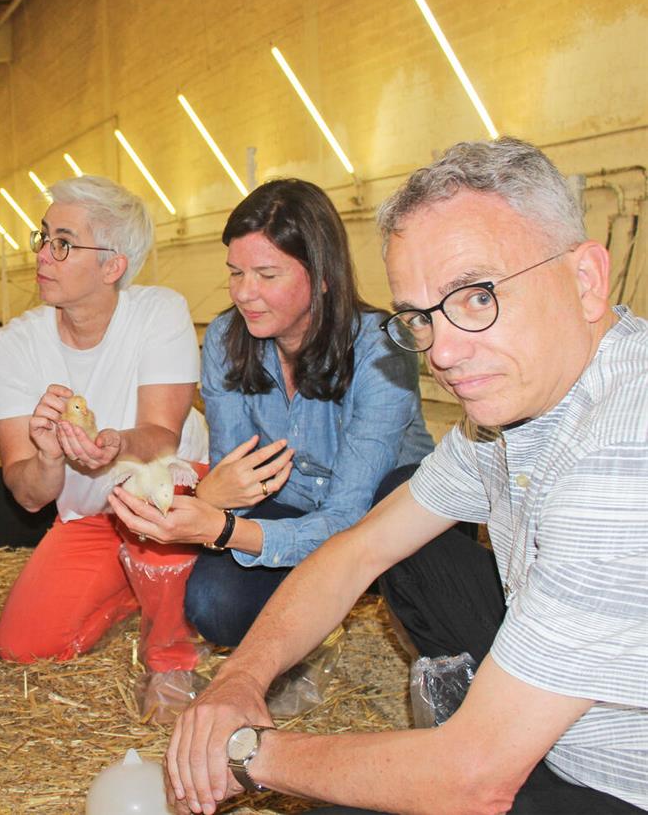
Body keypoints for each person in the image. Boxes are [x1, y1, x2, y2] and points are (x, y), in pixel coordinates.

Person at [165, 137, 647, 815]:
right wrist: (240, 677)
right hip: (552, 734)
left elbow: (476, 778)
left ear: (587, 279)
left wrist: (245, 752)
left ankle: (491, 721)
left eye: (476, 296)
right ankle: (494, 703)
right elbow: (361, 544)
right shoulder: (506, 413)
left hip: (617, 784)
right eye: (419, 316)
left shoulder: (622, 448)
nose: (443, 351)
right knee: (404, 515)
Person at [110, 179, 434, 648]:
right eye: (235, 272)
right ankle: (308, 613)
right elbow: (236, 467)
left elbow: (349, 515)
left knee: (403, 524)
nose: (244, 293)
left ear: (321, 276)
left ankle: (352, 597)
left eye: (266, 274)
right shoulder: (226, 338)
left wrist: (225, 528)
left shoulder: (378, 346)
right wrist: (215, 497)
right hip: (292, 499)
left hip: (383, 511)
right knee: (213, 606)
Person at [0, 175, 209, 722]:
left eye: (63, 243)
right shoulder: (15, 345)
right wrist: (47, 456)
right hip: (91, 514)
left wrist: (113, 446)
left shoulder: (159, 313)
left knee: (150, 481)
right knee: (24, 644)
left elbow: (161, 435)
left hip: (170, 494)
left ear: (112, 266)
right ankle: (142, 582)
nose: (43, 254)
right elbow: (29, 495)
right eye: (42, 237)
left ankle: (171, 656)